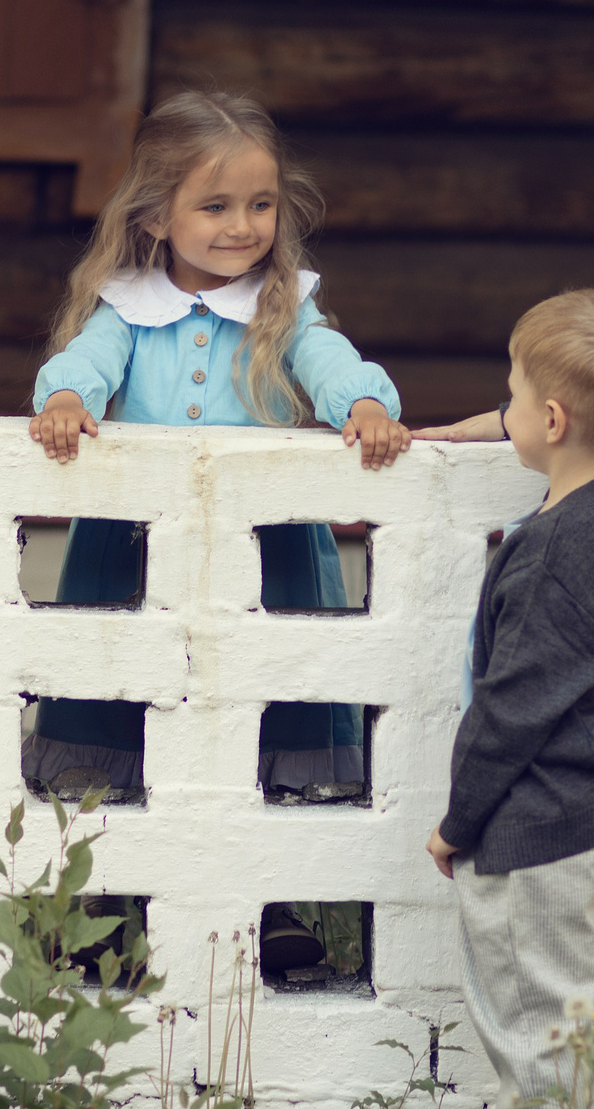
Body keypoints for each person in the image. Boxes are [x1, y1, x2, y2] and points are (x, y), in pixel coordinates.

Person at [27, 91, 410, 809]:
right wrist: (68, 402)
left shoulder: (283, 305)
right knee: (125, 686)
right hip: (132, 543)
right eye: (216, 207)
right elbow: (88, 361)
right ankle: (110, 894)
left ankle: (284, 909)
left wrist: (361, 404)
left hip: (270, 547)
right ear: (154, 215)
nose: (243, 227)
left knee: (269, 690)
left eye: (260, 205)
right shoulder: (129, 311)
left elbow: (325, 356)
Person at [411, 289, 594, 1109]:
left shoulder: (552, 558)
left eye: (512, 396)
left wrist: (455, 824)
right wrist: (486, 426)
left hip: (533, 843)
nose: (504, 407)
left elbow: (508, 715)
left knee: (539, 1056)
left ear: (553, 421)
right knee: (582, 1044)